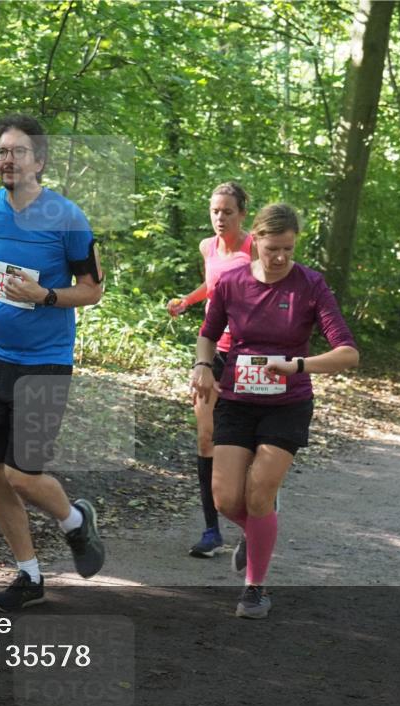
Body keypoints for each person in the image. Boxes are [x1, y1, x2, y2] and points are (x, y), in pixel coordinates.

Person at [0, 113, 105, 612]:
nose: (8, 160)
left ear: (40, 161)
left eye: (18, 152)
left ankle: (74, 520)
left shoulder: (67, 217)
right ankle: (28, 575)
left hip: (45, 363)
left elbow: (93, 290)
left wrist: (46, 295)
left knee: (23, 475)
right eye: (2, 152)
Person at [191, 203, 358, 619]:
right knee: (227, 498)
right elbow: (208, 336)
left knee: (260, 490)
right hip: (238, 401)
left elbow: (348, 353)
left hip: (287, 403)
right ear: (257, 242)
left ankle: (254, 589)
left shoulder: (311, 285)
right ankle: (259, 527)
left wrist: (298, 364)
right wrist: (201, 368)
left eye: (288, 249)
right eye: (272, 249)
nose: (280, 257)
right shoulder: (231, 282)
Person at [167, 182, 253, 558]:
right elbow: (213, 284)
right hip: (213, 350)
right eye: (215, 211)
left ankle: (255, 518)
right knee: (206, 438)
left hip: (250, 355)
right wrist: (188, 300)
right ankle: (211, 531)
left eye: (228, 212)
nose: (220, 218)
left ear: (242, 214)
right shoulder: (207, 246)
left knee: (244, 442)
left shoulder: (255, 248)